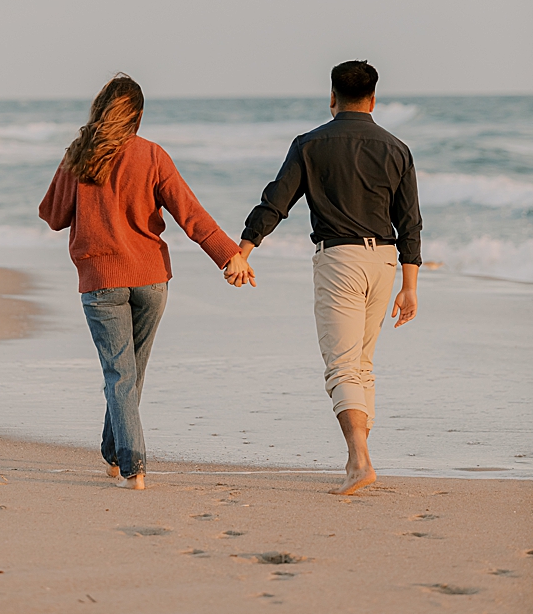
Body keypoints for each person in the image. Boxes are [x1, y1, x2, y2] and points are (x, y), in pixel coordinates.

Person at [39, 74, 252, 490]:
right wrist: (231, 256)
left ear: (100, 109)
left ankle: (133, 467)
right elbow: (192, 215)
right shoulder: (152, 155)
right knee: (129, 373)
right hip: (151, 280)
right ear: (137, 116)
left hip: (101, 282)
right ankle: (113, 455)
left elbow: (53, 216)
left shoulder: (79, 156)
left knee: (120, 375)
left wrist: (75, 169)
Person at [237, 60, 420, 496]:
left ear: (332, 97)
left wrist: (243, 250)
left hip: (339, 259)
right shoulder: (396, 148)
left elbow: (276, 202)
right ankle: (357, 459)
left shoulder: (309, 144)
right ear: (373, 99)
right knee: (362, 365)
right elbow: (410, 222)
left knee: (341, 367)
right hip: (385, 263)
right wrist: (410, 287)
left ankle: (360, 460)